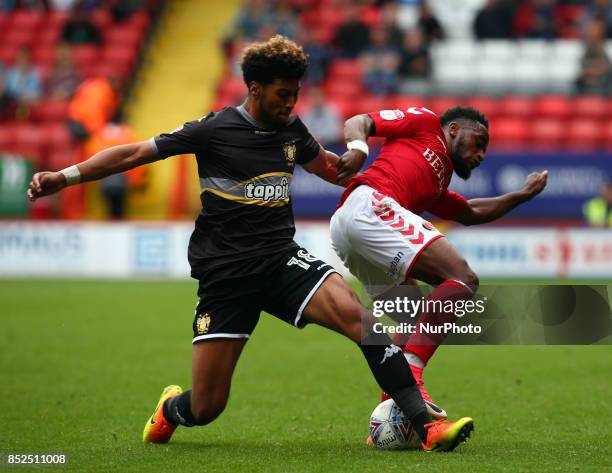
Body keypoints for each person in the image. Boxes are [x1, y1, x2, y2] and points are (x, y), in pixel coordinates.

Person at [27, 36, 474, 452]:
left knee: (365, 322)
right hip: (226, 276)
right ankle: (169, 409)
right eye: (283, 94)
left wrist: (356, 158)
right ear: (256, 89)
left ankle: (426, 425)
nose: (291, 103)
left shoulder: (292, 131)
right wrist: (64, 177)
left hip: (282, 261)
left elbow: (331, 168)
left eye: (296, 93)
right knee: (206, 407)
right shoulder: (213, 129)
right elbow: (132, 153)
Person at [331, 106, 548, 417]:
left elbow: (471, 213)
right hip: (370, 204)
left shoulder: (437, 181)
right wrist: (358, 148)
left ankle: (390, 410)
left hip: (347, 229)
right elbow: (359, 121)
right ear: (455, 129)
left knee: (410, 316)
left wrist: (522, 195)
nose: (482, 153)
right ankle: (413, 373)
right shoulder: (427, 123)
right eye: (479, 141)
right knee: (463, 278)